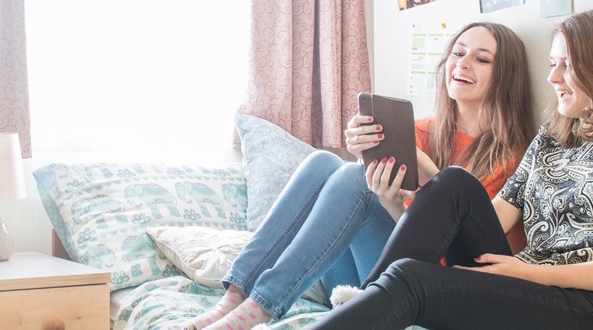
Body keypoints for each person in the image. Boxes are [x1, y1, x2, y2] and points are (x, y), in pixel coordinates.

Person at [307, 7, 593, 329]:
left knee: (414, 281)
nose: (552, 77)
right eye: (553, 64)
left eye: (567, 66)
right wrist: (406, 194)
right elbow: (482, 216)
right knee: (455, 182)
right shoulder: (551, 141)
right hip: (530, 284)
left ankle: (360, 308)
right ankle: (365, 302)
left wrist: (529, 273)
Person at [185, 22, 536, 330]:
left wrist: (399, 195)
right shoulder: (415, 131)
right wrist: (364, 153)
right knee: (325, 163)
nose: (463, 63)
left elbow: (447, 258)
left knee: (354, 180)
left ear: (506, 76)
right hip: (352, 283)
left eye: (482, 58)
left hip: (419, 287)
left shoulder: (512, 159)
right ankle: (237, 295)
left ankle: (261, 306)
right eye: (458, 53)